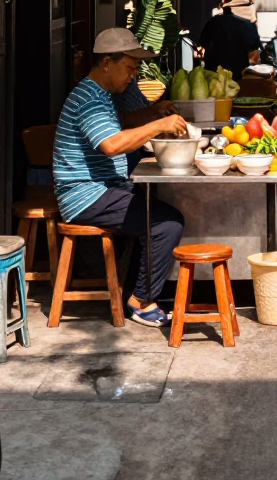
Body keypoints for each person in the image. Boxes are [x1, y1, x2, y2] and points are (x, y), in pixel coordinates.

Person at [53, 27, 188, 327]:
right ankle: (141, 301)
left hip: (102, 190)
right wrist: (157, 126)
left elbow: (121, 123)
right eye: (129, 68)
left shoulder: (100, 95)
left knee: (156, 210)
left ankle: (135, 293)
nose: (132, 76)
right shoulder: (88, 99)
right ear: (106, 64)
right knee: (166, 223)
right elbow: (112, 144)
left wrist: (152, 113)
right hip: (86, 196)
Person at [200, 0, 261, 75]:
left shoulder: (213, 22)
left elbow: (201, 48)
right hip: (237, 80)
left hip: (215, 80)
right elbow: (254, 58)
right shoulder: (247, 24)